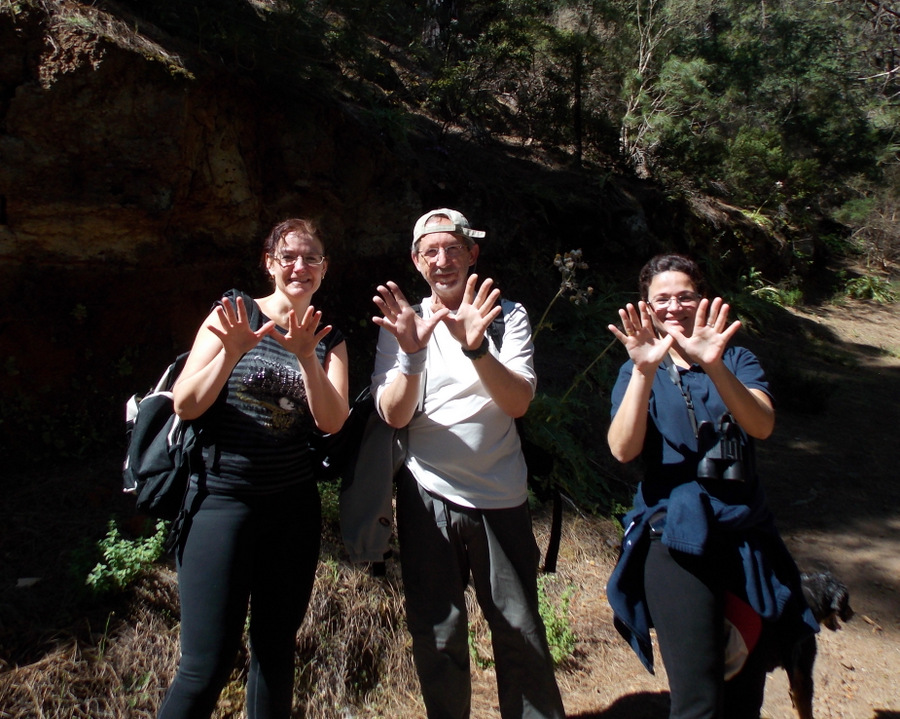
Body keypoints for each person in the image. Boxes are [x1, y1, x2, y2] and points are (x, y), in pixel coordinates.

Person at [370, 209, 566, 719]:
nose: (443, 260)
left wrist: (476, 347)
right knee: (437, 633)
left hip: (501, 495)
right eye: (430, 251)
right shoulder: (401, 324)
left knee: (520, 631)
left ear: (472, 254)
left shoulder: (507, 314)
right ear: (416, 261)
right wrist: (411, 355)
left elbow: (518, 401)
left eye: (453, 248)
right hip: (423, 493)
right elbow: (394, 414)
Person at [605, 253, 818, 719]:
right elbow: (623, 449)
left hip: (745, 538)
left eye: (686, 296)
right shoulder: (636, 371)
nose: (674, 307)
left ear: (702, 299)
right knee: (698, 699)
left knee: (745, 697)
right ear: (646, 306)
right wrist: (642, 370)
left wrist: (714, 364)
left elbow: (761, 425)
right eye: (662, 299)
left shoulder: (736, 357)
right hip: (674, 542)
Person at [158, 218, 349, 719]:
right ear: (269, 263)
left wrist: (309, 357)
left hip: (291, 511)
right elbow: (185, 404)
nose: (299, 267)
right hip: (221, 503)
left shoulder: (329, 336)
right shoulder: (234, 313)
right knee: (205, 665)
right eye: (288, 257)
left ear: (324, 269)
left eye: (311, 258)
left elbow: (332, 422)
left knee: (275, 654)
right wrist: (232, 353)